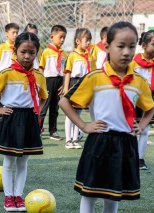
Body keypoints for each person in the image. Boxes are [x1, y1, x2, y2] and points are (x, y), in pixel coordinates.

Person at [59, 21, 154, 213]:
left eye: (131, 46)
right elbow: (64, 102)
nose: (126, 52)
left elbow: (150, 107)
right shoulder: (95, 77)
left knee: (114, 192)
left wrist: (142, 125)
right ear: (107, 47)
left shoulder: (139, 82)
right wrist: (84, 126)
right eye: (120, 46)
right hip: (99, 141)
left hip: (125, 143)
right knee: (90, 192)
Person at [0, 32, 48, 212]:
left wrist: (38, 111)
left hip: (29, 120)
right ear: (15, 51)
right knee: (9, 162)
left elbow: (43, 97)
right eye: (23, 52)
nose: (27, 56)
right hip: (11, 118)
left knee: (23, 162)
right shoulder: (6, 73)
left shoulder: (39, 76)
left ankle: (19, 196)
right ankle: (8, 196)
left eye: (31, 52)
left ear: (37, 53)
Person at [63, 28, 95, 149]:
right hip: (74, 84)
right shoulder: (72, 56)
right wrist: (66, 88)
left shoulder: (90, 57)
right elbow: (67, 73)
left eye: (90, 40)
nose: (88, 43)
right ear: (77, 41)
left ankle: (75, 139)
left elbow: (91, 73)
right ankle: (68, 140)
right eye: (86, 40)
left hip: (84, 85)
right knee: (69, 114)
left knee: (78, 114)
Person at [130, 30, 154, 170]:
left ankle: (139, 159)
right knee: (132, 128)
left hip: (150, 99)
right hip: (135, 99)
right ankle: (130, 156)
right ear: (144, 45)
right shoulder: (134, 62)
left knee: (145, 129)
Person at [39, 25, 67, 140]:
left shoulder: (64, 54)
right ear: (52, 37)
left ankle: (53, 131)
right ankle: (38, 129)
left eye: (64, 37)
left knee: (55, 108)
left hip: (59, 81)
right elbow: (41, 68)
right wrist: (41, 84)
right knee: (44, 107)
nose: (62, 40)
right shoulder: (46, 52)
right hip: (48, 81)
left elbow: (65, 71)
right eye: (60, 37)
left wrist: (64, 85)